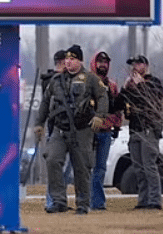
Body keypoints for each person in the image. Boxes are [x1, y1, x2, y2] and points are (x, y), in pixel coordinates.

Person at [34, 44, 108, 215]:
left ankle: (83, 203)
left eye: (72, 59)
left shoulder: (90, 78)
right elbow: (45, 102)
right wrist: (39, 123)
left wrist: (100, 116)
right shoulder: (56, 80)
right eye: (67, 59)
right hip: (60, 128)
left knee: (82, 168)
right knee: (52, 159)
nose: (68, 62)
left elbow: (103, 96)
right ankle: (58, 201)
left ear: (80, 61)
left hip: (81, 129)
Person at [114, 55, 163, 210]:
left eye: (138, 64)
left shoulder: (154, 83)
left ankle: (155, 200)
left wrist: (141, 85)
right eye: (133, 65)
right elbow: (117, 105)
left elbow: (154, 98)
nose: (135, 67)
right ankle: (143, 200)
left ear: (145, 66)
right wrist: (124, 89)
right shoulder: (131, 86)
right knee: (138, 167)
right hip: (135, 129)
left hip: (149, 129)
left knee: (149, 166)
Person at [89, 51, 122, 211]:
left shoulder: (112, 85)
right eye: (100, 62)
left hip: (106, 131)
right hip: (90, 130)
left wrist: (117, 126)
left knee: (101, 168)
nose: (103, 65)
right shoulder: (87, 82)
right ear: (94, 63)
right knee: (87, 167)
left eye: (105, 62)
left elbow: (117, 108)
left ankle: (98, 202)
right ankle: (87, 200)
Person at [39, 50, 69, 211]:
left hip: (65, 128)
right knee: (54, 166)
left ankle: (58, 199)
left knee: (61, 167)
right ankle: (52, 200)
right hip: (55, 128)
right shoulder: (51, 80)